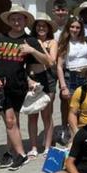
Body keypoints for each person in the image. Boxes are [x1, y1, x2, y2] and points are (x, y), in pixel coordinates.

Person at [0, 5, 50, 171]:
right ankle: (20, 154)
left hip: (19, 86)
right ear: (8, 21)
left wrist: (31, 50)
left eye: (19, 18)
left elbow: (47, 61)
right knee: (9, 120)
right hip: (0, 86)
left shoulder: (30, 40)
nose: (16, 22)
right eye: (13, 19)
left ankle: (11, 151)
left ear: (25, 20)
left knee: (12, 120)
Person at [26, 13, 58, 159]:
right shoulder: (28, 41)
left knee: (47, 114)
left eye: (44, 26)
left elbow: (51, 61)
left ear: (49, 28)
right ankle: (33, 146)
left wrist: (39, 46)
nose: (41, 28)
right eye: (38, 26)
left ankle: (47, 146)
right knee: (32, 114)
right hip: (33, 78)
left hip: (48, 79)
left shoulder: (52, 42)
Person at [56, 17, 87, 140]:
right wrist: (63, 86)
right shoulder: (64, 43)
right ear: (68, 27)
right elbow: (59, 66)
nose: (75, 29)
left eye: (77, 27)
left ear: (81, 29)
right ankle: (71, 134)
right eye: (72, 27)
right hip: (70, 76)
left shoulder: (86, 41)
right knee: (72, 107)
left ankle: (83, 132)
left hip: (85, 75)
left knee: (85, 106)